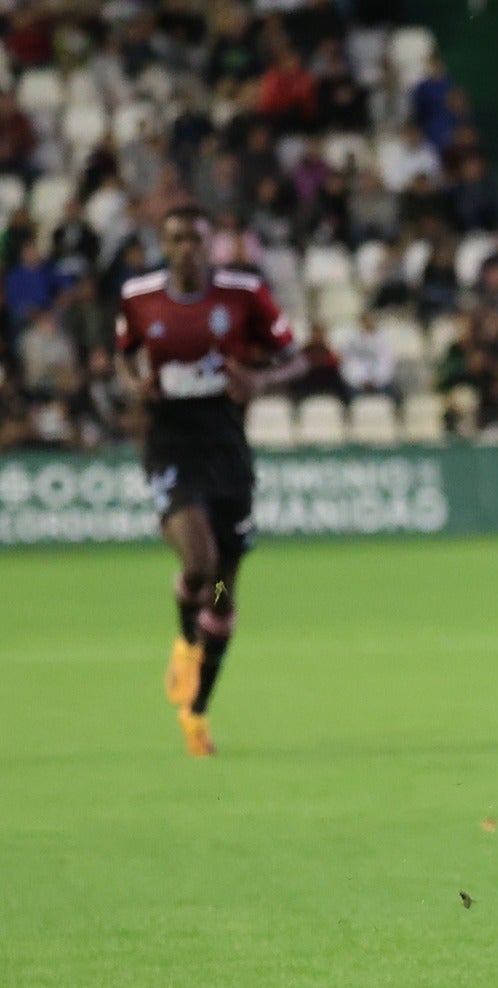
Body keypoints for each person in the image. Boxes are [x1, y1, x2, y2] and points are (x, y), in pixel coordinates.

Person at [117, 206, 304, 757]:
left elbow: (294, 358)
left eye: (197, 241)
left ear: (211, 246)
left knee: (222, 589)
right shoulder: (139, 297)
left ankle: (197, 713)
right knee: (197, 563)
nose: (188, 250)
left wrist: (260, 380)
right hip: (171, 445)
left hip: (227, 452)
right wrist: (135, 385)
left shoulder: (244, 295)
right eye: (177, 241)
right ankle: (184, 640)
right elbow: (122, 356)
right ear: (165, 245)